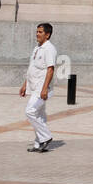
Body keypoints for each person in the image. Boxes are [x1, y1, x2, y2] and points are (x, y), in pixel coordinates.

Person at [19, 23, 57, 153]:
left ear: (47, 35)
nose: (37, 34)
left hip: (42, 89)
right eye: (37, 31)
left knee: (30, 111)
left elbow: (50, 69)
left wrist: (45, 89)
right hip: (34, 87)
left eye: (40, 32)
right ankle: (38, 144)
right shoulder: (37, 48)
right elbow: (32, 68)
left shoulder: (49, 49)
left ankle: (46, 137)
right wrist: (25, 85)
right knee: (39, 116)